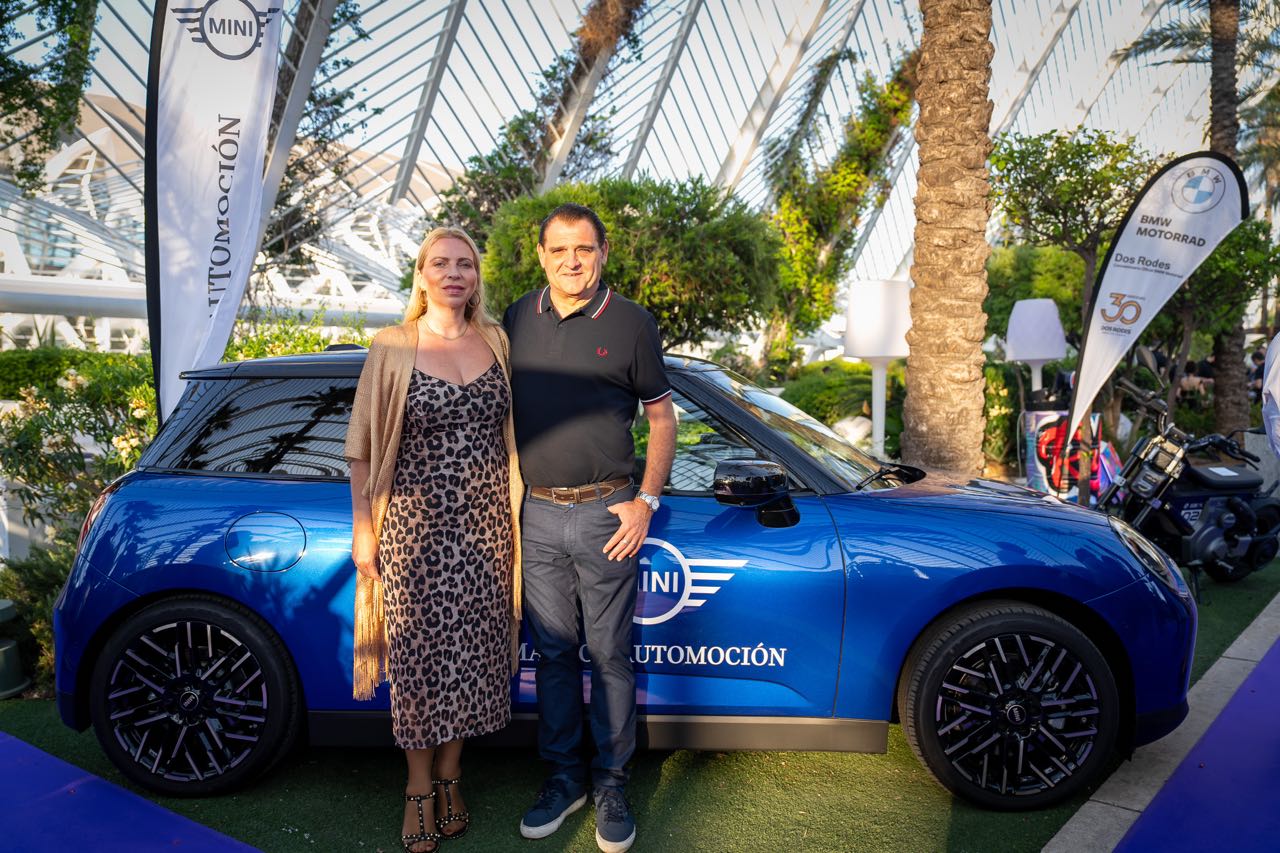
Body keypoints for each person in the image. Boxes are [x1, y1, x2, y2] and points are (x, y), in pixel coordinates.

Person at [345, 226, 524, 853]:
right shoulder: (392, 345)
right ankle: (418, 788)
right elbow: (362, 447)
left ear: (476, 278)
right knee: (419, 665)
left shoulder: (497, 341)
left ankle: (452, 777)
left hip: (488, 531)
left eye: (464, 264)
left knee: (473, 660)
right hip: (413, 532)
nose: (453, 273)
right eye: (440, 263)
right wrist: (364, 529)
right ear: (421, 276)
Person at [504, 204, 676, 853]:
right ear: (541, 255)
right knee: (551, 653)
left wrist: (646, 501)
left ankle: (611, 782)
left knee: (608, 654)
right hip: (538, 513)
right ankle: (563, 779)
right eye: (559, 250)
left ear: (603, 251)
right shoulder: (516, 318)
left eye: (583, 248)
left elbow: (662, 418)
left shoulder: (632, 323)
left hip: (610, 513)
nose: (571, 261)